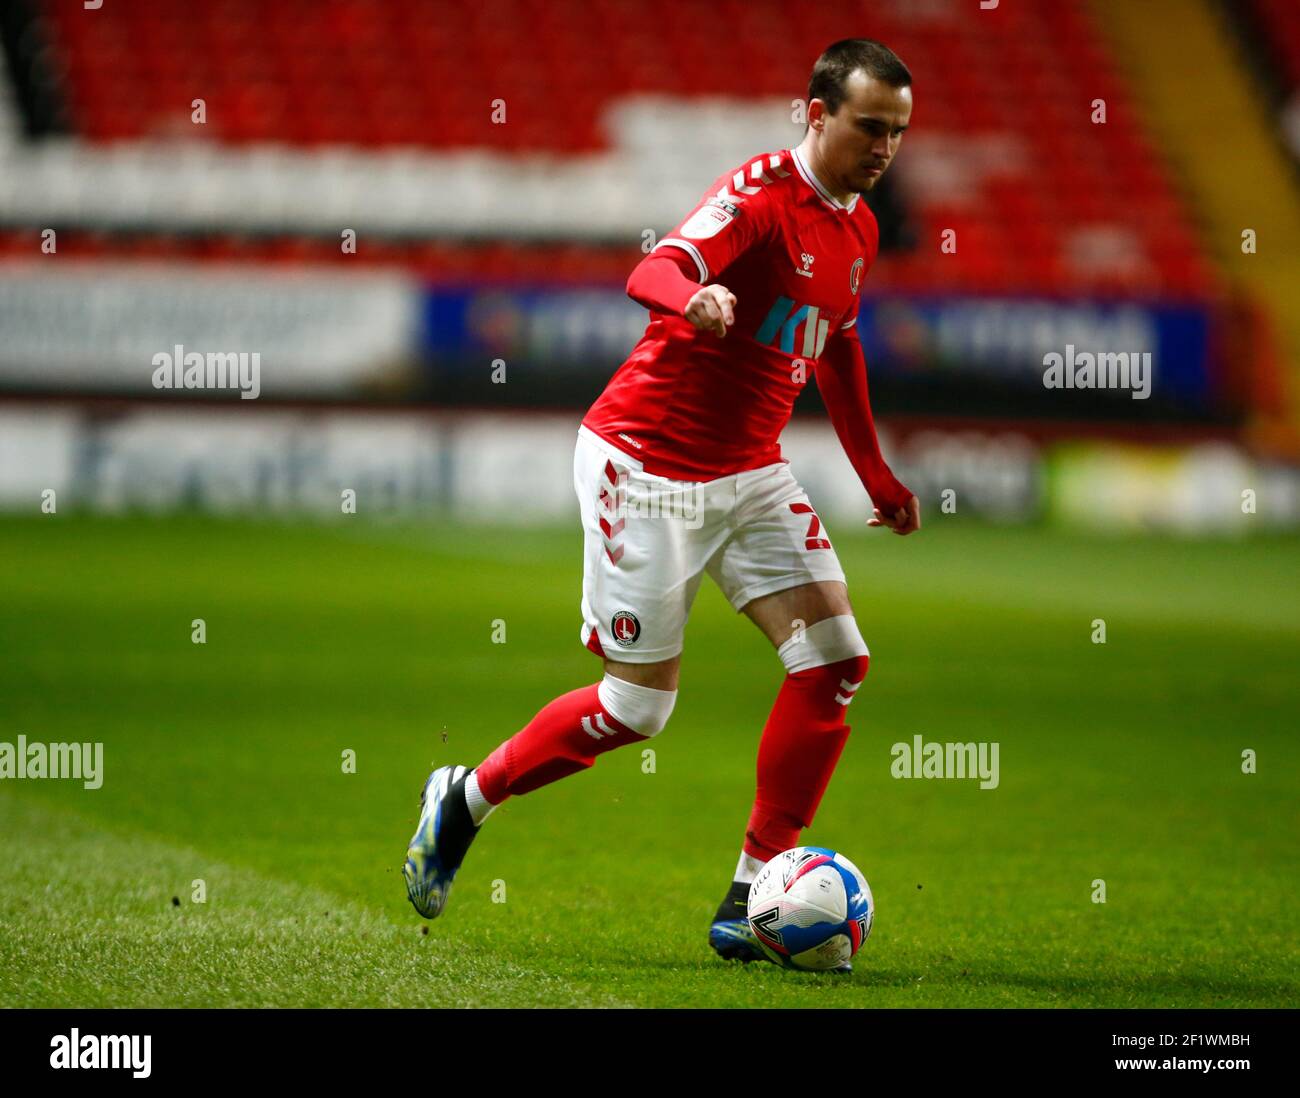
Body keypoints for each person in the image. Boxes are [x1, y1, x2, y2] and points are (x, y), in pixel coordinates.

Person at [403, 38, 920, 972]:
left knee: (836, 661)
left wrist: (876, 474)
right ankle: (465, 798)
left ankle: (747, 897)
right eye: (869, 125)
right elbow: (656, 267)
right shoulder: (762, 198)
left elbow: (837, 346)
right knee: (636, 711)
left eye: (897, 132)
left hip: (749, 470)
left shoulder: (860, 227)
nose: (885, 147)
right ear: (815, 112)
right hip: (643, 469)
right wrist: (692, 302)